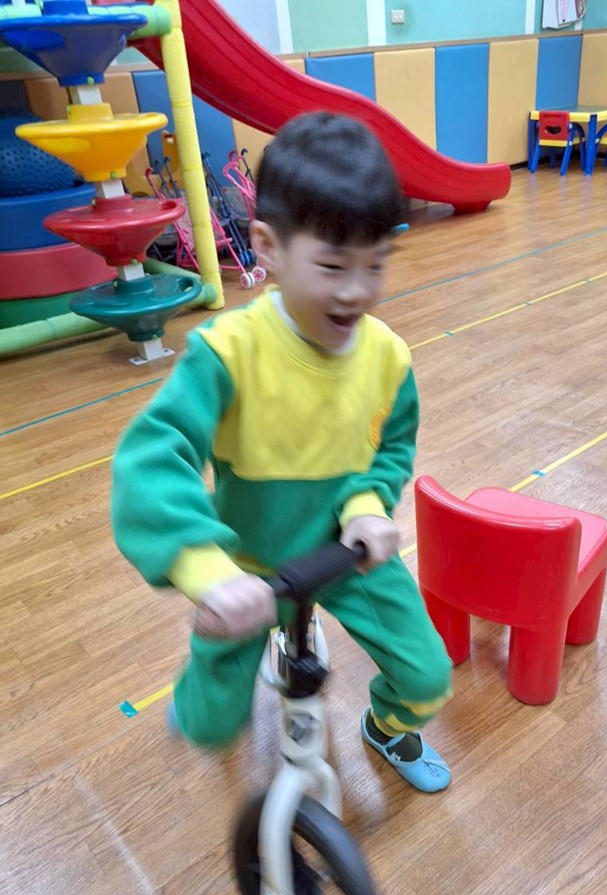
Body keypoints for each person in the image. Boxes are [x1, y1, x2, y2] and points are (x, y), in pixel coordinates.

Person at [111, 111, 452, 792]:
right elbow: (151, 459)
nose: (357, 291)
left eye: (376, 264)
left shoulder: (388, 357)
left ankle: (385, 729)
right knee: (210, 725)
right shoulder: (227, 352)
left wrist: (366, 504)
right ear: (268, 246)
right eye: (332, 265)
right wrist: (208, 572)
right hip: (249, 568)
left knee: (427, 678)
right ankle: (204, 683)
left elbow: (391, 447)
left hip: (344, 555)